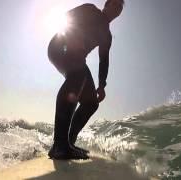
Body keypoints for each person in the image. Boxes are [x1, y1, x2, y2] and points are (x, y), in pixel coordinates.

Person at [47, 0, 124, 160]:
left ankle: (68, 142)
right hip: (59, 46)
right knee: (78, 74)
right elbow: (66, 17)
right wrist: (71, 36)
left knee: (91, 103)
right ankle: (59, 145)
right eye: (115, 4)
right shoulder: (90, 10)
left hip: (78, 59)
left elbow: (104, 61)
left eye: (120, 7)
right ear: (106, 4)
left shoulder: (107, 36)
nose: (117, 8)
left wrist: (102, 85)